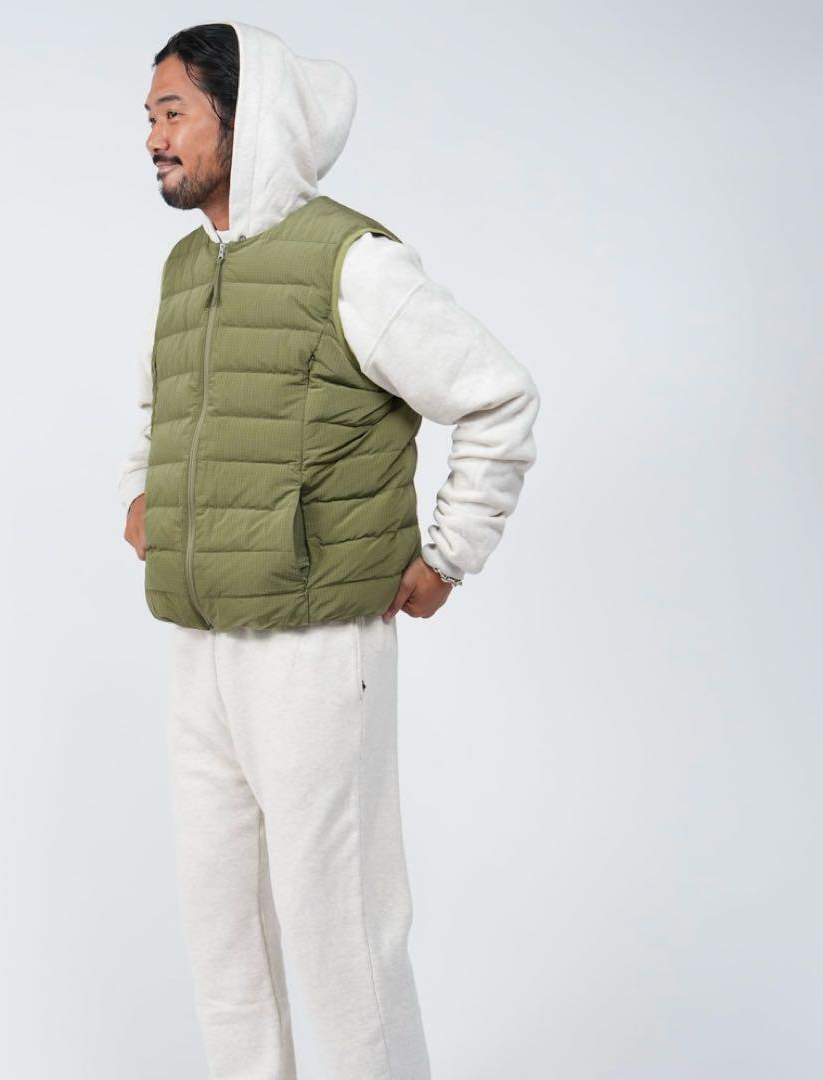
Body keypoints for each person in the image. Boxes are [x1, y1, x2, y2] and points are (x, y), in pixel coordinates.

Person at [118, 21, 540, 1080]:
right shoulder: (185, 267)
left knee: (339, 934)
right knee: (224, 939)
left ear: (243, 115)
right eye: (150, 117)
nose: (154, 137)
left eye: (173, 112)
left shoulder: (352, 262)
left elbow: (497, 397)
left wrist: (450, 553)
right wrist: (139, 493)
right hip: (199, 644)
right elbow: (159, 406)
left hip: (314, 647)